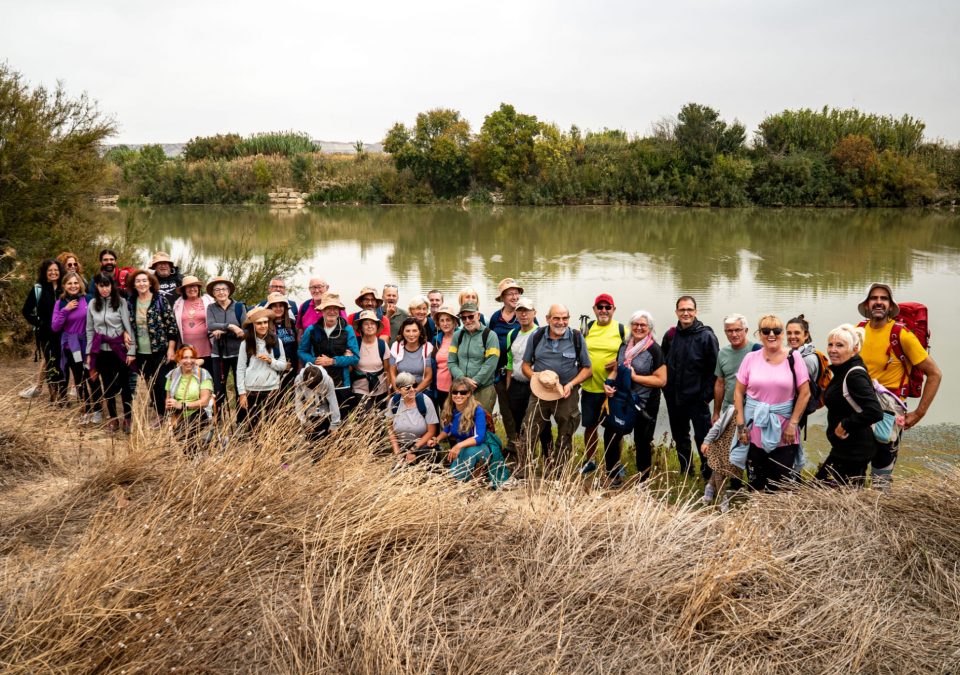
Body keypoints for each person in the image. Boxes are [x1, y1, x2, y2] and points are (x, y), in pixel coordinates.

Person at [857, 282, 942, 488]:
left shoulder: (901, 335)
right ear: (867, 305)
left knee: (881, 479)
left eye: (883, 298)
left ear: (890, 305)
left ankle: (880, 514)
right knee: (854, 476)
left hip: (889, 415)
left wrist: (918, 413)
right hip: (858, 412)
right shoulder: (856, 332)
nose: (878, 302)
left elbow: (935, 374)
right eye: (874, 298)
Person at [733, 315, 811, 492]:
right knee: (756, 480)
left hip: (785, 429)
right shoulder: (750, 358)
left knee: (780, 481)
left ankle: (778, 515)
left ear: (782, 334)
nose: (771, 334)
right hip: (754, 427)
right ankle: (757, 512)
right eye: (765, 331)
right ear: (759, 334)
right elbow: (738, 392)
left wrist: (793, 424)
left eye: (776, 330)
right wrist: (740, 426)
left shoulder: (794, 357)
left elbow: (805, 394)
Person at [519, 304, 592, 474]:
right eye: (556, 318)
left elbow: (588, 369)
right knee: (529, 430)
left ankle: (559, 472)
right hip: (539, 393)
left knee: (566, 433)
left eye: (564, 318)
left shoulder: (576, 337)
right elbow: (525, 366)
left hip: (566, 393)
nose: (561, 322)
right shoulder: (536, 336)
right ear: (547, 319)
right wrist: (538, 379)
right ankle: (524, 470)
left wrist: (571, 385)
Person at [600, 310, 666, 485]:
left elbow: (661, 380)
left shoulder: (654, 350)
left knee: (642, 441)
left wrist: (636, 378)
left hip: (644, 404)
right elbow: (616, 369)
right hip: (622, 400)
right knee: (611, 434)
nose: (638, 327)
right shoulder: (624, 346)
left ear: (649, 328)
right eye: (635, 324)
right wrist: (608, 384)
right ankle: (613, 476)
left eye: (643, 325)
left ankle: (642, 481)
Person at [817, 324, 884, 487]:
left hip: (854, 451)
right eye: (830, 344)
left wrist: (845, 424)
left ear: (854, 350)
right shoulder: (843, 370)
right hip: (844, 449)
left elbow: (875, 411)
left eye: (840, 345)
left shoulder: (854, 375)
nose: (832, 350)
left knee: (822, 491)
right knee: (840, 496)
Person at [661, 295, 719, 480]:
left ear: (696, 312)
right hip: (675, 398)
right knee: (681, 437)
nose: (686, 313)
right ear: (676, 312)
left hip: (697, 399)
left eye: (689, 310)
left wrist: (705, 397)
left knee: (703, 437)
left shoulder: (706, 336)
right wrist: (667, 391)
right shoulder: (670, 336)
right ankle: (686, 469)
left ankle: (707, 472)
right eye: (682, 310)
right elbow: (663, 365)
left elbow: (715, 370)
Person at [707, 313, 757, 503]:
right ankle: (724, 488)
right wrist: (716, 411)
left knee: (747, 451)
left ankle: (743, 487)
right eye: (729, 331)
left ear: (746, 330)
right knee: (724, 452)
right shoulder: (723, 353)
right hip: (729, 411)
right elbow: (720, 383)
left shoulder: (756, 350)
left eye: (738, 330)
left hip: (751, 411)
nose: (734, 334)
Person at [427, 377, 510, 488]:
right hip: (463, 448)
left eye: (463, 392)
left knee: (468, 452)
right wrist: (437, 439)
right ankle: (456, 480)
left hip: (483, 447)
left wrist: (458, 445)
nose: (458, 395)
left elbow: (479, 438)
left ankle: (454, 482)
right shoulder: (450, 409)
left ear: (469, 394)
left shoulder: (477, 410)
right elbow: (447, 430)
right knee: (463, 453)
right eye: (455, 392)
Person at [578, 293, 626, 475]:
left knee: (616, 428)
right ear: (594, 310)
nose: (604, 310)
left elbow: (631, 356)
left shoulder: (622, 330)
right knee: (590, 427)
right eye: (600, 307)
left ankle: (615, 463)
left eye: (608, 307)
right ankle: (590, 461)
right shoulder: (587, 327)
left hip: (613, 390)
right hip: (590, 387)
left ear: (614, 309)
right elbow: (578, 350)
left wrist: (618, 364)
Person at [504, 297, 552, 473]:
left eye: (527, 310)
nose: (523, 314)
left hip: (536, 385)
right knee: (519, 426)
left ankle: (550, 461)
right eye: (520, 310)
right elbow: (510, 362)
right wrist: (509, 387)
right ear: (515, 313)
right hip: (517, 385)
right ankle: (524, 461)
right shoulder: (512, 334)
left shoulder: (541, 333)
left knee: (542, 425)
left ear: (534, 313)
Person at [128, 269, 180, 425]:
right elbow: (128, 324)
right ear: (134, 284)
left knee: (162, 384)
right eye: (138, 281)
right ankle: (160, 414)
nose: (142, 283)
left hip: (161, 350)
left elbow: (171, 326)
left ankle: (171, 413)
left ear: (150, 283)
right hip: (141, 351)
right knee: (150, 383)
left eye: (144, 280)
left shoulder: (160, 300)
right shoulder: (131, 302)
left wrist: (171, 348)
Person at [297, 293, 360, 419]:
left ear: (339, 311)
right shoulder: (311, 330)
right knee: (319, 421)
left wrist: (332, 361)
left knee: (341, 420)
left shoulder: (347, 330)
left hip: (341, 383)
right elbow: (301, 351)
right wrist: (314, 361)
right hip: (318, 382)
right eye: (328, 308)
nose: (332, 311)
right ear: (322, 311)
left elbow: (355, 358)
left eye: (335, 308)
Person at [86, 272, 134, 433]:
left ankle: (128, 418)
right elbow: (90, 330)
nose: (105, 289)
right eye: (101, 286)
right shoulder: (92, 303)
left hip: (118, 349)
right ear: (97, 287)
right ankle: (113, 418)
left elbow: (128, 327)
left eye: (107, 285)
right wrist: (89, 353)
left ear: (112, 286)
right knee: (107, 385)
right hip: (101, 350)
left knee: (124, 384)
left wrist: (131, 350)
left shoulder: (120, 302)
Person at [51, 272, 96, 423]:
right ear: (64, 286)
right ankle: (85, 410)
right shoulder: (61, 303)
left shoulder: (88, 299)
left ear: (80, 284)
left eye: (76, 283)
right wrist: (66, 310)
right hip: (72, 346)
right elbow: (55, 327)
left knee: (92, 377)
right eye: (69, 283)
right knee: (79, 377)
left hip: (88, 344)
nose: (73, 286)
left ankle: (97, 410)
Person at [488, 278, 525, 454]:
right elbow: (488, 340)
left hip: (519, 372)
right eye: (510, 293)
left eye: (516, 292)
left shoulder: (525, 315)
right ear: (502, 297)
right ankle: (512, 443)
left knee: (520, 409)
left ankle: (524, 444)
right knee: (505, 409)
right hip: (499, 372)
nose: (514, 296)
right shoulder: (496, 317)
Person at [236, 307, 287, 430]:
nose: (263, 326)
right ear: (253, 325)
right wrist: (242, 393)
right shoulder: (246, 343)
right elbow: (240, 368)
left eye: (265, 322)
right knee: (254, 425)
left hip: (272, 388)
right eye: (259, 323)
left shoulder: (276, 340)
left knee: (272, 424)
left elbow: (283, 365)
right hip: (252, 389)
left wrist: (270, 361)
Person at [20, 258, 63, 400]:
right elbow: (26, 310)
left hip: (64, 332)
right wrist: (39, 323)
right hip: (46, 333)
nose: (53, 272)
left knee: (61, 362)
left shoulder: (65, 287)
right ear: (45, 272)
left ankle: (61, 393)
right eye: (50, 270)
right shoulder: (38, 289)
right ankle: (54, 396)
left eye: (56, 270)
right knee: (51, 361)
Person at [205, 276, 246, 418]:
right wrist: (231, 326)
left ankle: (241, 420)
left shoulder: (240, 307)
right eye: (217, 290)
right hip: (219, 354)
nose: (221, 292)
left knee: (239, 387)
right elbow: (210, 325)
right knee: (218, 389)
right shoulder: (211, 308)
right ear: (213, 294)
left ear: (229, 291)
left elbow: (245, 330)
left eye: (223, 289)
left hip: (238, 353)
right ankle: (218, 421)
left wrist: (223, 330)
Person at [447, 301, 499, 412]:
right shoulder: (457, 336)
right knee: (461, 424)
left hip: (483, 389)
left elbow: (491, 364)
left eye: (471, 316)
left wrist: (475, 382)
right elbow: (451, 362)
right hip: (461, 389)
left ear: (478, 315)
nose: (467, 321)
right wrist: (463, 379)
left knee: (482, 423)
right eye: (463, 318)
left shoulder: (490, 336)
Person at [164, 345, 214, 452]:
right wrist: (170, 407)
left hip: (199, 413)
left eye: (192, 357)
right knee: (186, 446)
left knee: (186, 440)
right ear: (179, 359)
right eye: (185, 358)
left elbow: (204, 401)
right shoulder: (172, 375)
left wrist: (182, 405)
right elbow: (168, 398)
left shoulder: (203, 374)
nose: (189, 361)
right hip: (178, 416)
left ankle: (200, 457)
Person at [387, 372, 440, 465]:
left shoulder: (425, 401)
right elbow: (390, 428)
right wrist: (397, 452)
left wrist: (413, 451)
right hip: (402, 445)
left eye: (414, 385)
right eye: (407, 387)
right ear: (399, 390)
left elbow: (431, 431)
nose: (412, 389)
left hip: (422, 444)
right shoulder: (394, 402)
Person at [294, 363, 341, 446]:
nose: (315, 390)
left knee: (326, 442)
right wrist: (304, 421)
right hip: (309, 411)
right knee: (311, 442)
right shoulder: (298, 380)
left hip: (325, 412)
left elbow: (333, 402)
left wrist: (334, 424)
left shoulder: (328, 381)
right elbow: (298, 402)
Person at [352, 309, 390, 408]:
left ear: (377, 326)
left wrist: (389, 394)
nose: (369, 326)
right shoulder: (355, 344)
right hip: (360, 389)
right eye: (366, 324)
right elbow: (350, 368)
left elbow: (387, 371)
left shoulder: (382, 344)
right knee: (365, 417)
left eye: (372, 323)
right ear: (361, 327)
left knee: (379, 420)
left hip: (381, 389)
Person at [389, 317, 433, 395]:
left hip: (420, 391)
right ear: (403, 332)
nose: (411, 334)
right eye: (408, 331)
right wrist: (397, 391)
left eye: (415, 331)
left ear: (420, 332)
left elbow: (428, 376)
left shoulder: (427, 347)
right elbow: (392, 372)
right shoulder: (396, 346)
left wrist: (414, 391)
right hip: (400, 391)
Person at [172, 276, 213, 359]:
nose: (192, 289)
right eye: (188, 287)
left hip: (206, 348)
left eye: (194, 286)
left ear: (198, 288)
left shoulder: (208, 302)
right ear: (184, 290)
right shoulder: (178, 304)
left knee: (206, 372)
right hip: (186, 350)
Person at [430, 305, 460, 412]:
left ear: (454, 322)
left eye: (448, 320)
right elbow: (433, 362)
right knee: (445, 419)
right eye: (442, 320)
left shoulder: (461, 337)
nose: (445, 323)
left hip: (457, 387)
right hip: (440, 387)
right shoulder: (436, 339)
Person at [267, 291, 298, 391]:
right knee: (277, 397)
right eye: (275, 306)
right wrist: (282, 365)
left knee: (292, 396)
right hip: (274, 367)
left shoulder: (292, 324)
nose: (278, 308)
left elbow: (296, 345)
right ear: (270, 308)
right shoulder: (265, 325)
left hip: (292, 366)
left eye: (281, 306)